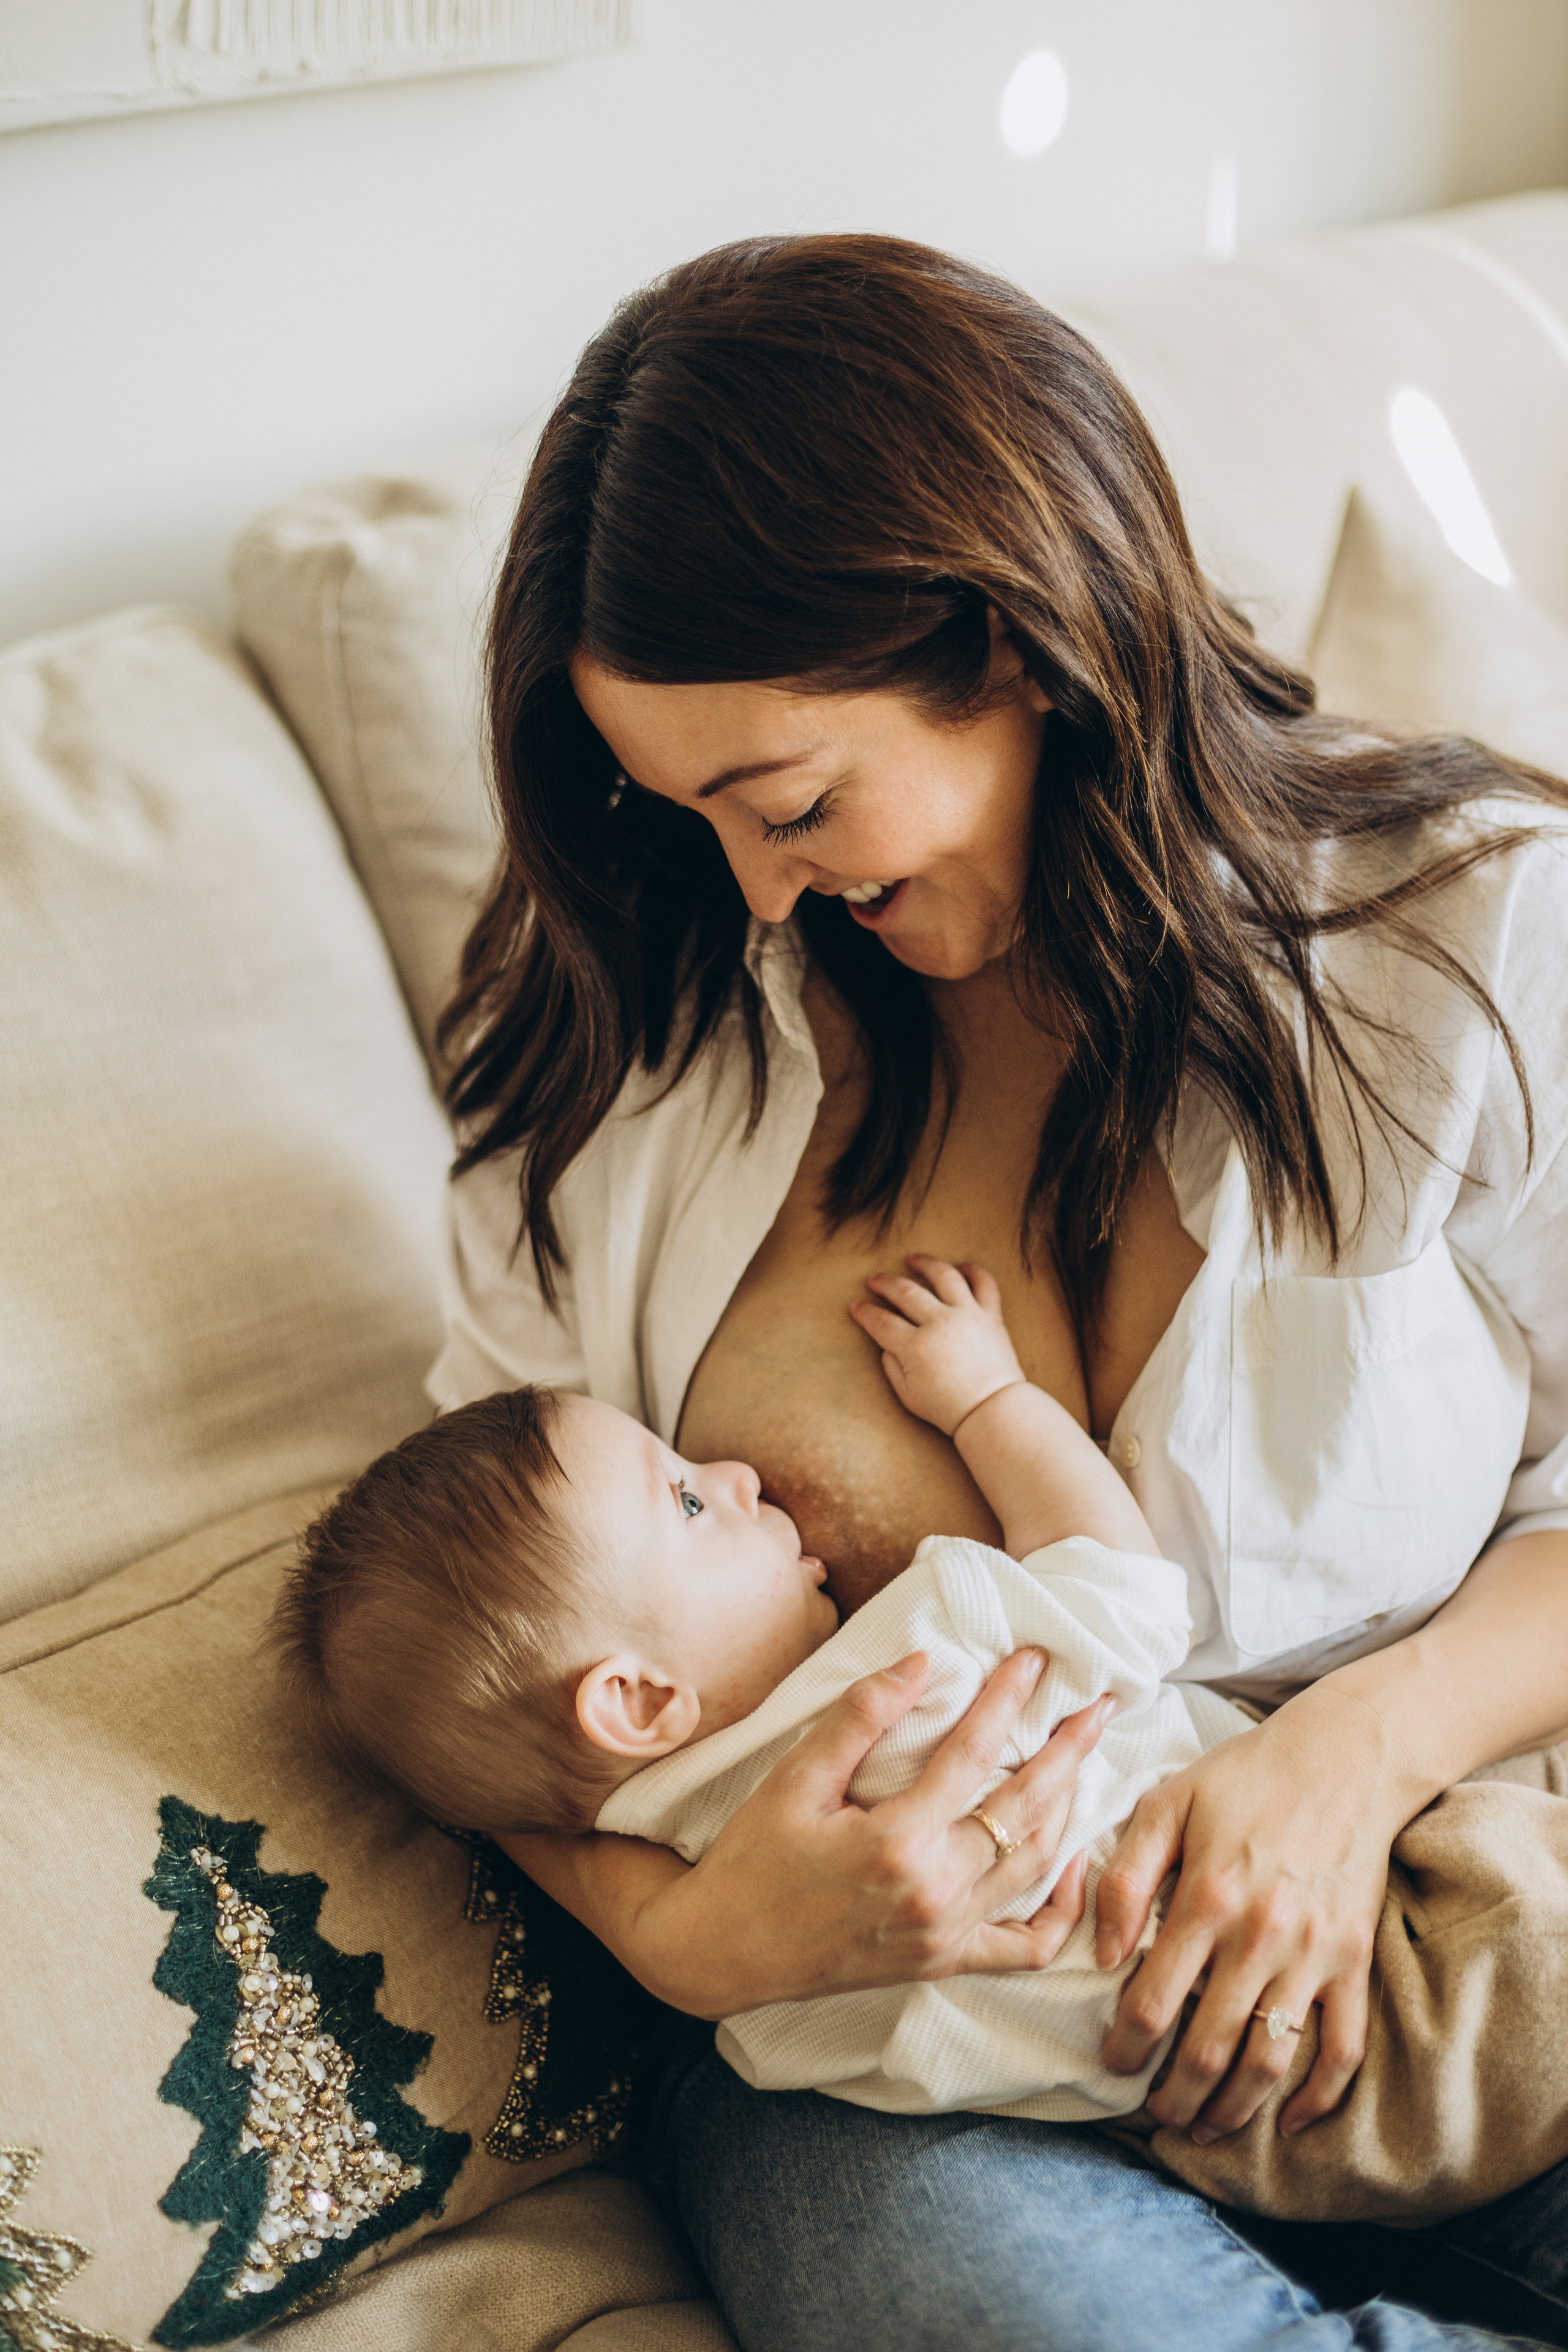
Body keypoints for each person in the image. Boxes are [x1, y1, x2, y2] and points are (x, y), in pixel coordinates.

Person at [429, 231, 1568, 2346]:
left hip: (1443, 1954)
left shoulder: (1465, 940)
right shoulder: (637, 1076)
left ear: (1022, 647)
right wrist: (690, 1941)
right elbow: (473, 1661)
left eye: (791, 803)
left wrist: (1354, 1754)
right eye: (688, 818)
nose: (762, 890)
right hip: (896, 2048)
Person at [279, 1257, 1568, 2228]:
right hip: (1421, 1944)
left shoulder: (766, 2015)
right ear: (635, 1702)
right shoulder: (915, 1658)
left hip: (1245, 2140)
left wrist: (661, 1933)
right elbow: (1125, 1587)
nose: (734, 1476)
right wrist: (987, 1400)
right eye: (686, 1500)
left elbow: (492, 1762)